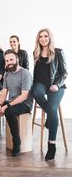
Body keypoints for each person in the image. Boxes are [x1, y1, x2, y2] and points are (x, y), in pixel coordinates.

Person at [32, 28, 67, 161]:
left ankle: (51, 145)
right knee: (36, 92)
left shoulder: (58, 52)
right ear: (38, 39)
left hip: (56, 85)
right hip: (40, 84)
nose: (43, 38)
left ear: (50, 37)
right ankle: (51, 118)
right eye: (40, 36)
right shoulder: (36, 52)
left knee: (52, 109)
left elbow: (64, 73)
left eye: (46, 36)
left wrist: (57, 84)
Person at [0, 50, 33, 156]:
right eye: (7, 61)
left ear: (17, 59)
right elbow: (4, 92)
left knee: (9, 112)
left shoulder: (25, 73)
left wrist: (6, 106)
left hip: (25, 103)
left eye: (11, 59)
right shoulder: (7, 75)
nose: (9, 62)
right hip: (12, 101)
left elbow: (24, 96)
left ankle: (16, 141)